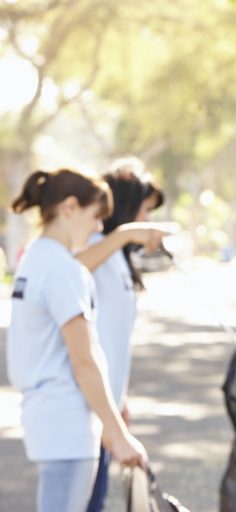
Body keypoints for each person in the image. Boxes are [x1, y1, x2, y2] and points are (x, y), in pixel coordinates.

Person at [7, 168, 148, 512]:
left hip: (47, 415)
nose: (99, 227)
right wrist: (117, 431)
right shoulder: (63, 270)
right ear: (69, 207)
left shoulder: (36, 259)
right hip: (65, 421)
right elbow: (84, 360)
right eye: (96, 216)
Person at [79, 157, 165, 512]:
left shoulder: (116, 256)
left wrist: (120, 400)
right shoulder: (95, 246)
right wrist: (125, 233)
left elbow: (111, 337)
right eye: (144, 211)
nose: (147, 221)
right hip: (83, 411)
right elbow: (68, 271)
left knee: (95, 502)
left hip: (106, 408)